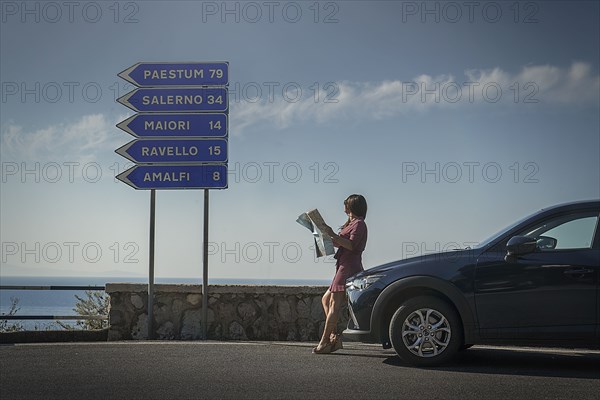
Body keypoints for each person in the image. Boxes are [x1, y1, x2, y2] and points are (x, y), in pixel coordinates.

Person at [313, 194, 368, 354]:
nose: (344, 205)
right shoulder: (351, 224)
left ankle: (324, 342)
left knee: (334, 306)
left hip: (348, 267)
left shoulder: (359, 224)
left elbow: (351, 245)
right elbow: (341, 243)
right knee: (326, 299)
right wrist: (324, 236)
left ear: (352, 206)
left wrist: (332, 233)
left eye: (347, 203)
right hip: (343, 265)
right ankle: (334, 337)